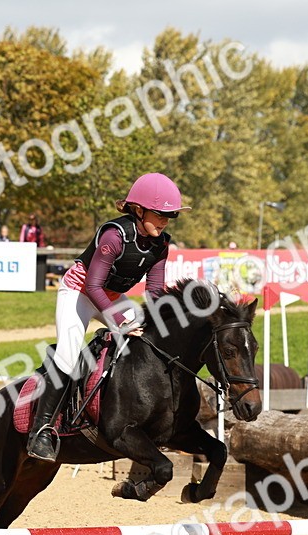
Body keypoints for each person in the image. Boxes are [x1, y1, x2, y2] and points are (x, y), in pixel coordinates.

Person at [26, 172, 189, 461]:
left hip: (111, 297)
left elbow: (154, 290)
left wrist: (162, 323)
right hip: (79, 292)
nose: (165, 221)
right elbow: (92, 285)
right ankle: (41, 431)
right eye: (160, 214)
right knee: (67, 353)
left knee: (150, 338)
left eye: (170, 216)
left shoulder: (161, 244)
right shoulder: (114, 235)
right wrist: (120, 323)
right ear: (138, 210)